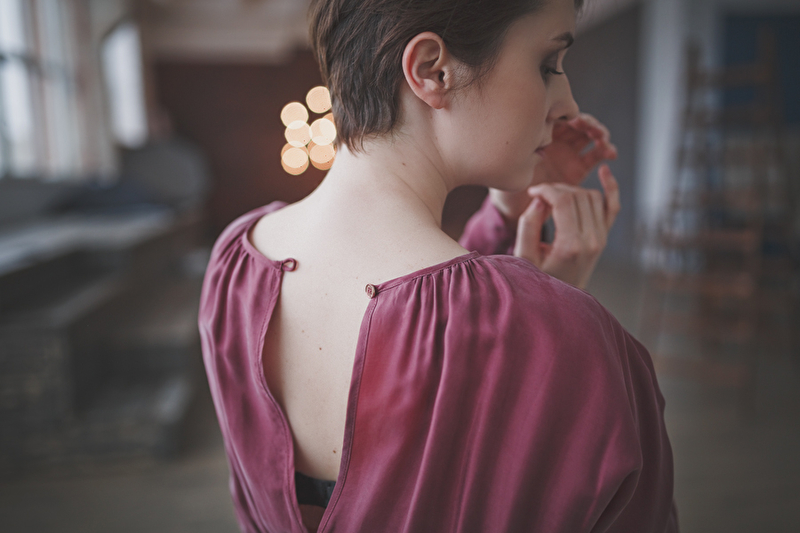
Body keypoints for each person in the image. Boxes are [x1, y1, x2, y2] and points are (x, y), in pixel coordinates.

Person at [198, 0, 679, 531]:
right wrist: (547, 318)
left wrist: (510, 229)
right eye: (547, 65)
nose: (567, 105)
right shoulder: (570, 336)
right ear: (432, 70)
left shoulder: (234, 263)